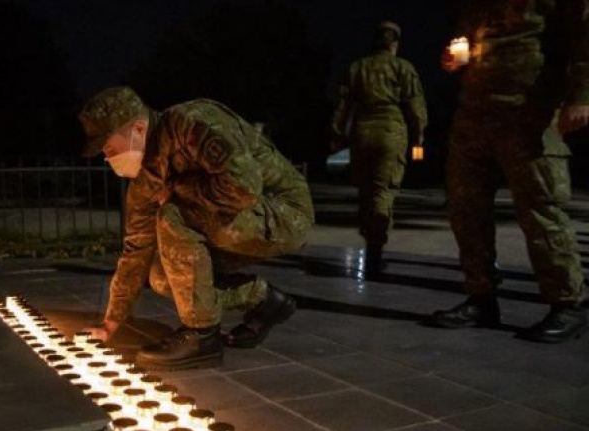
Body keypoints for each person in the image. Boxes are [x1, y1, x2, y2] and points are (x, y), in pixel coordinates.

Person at [77, 86, 314, 369]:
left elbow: (244, 186)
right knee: (163, 276)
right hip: (236, 220)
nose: (107, 156)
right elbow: (135, 250)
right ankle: (263, 298)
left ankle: (202, 337)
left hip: (283, 212)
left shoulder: (191, 123)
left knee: (172, 214)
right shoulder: (144, 182)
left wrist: (179, 190)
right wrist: (111, 323)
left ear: (138, 129)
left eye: (109, 146)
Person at [430, 0, 589, 343]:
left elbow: (584, 32)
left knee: (541, 208)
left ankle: (568, 303)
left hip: (530, 108)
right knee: (465, 207)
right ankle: (480, 297)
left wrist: (582, 95)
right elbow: (468, 38)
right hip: (475, 110)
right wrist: (456, 57)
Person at [331, 21, 428, 277]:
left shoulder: (357, 67)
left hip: (362, 131)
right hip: (391, 132)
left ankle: (369, 238)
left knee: (366, 190)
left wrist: (338, 133)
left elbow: (342, 105)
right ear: (394, 43)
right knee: (382, 191)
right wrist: (419, 133)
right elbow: (415, 103)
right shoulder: (403, 67)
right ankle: (375, 251)